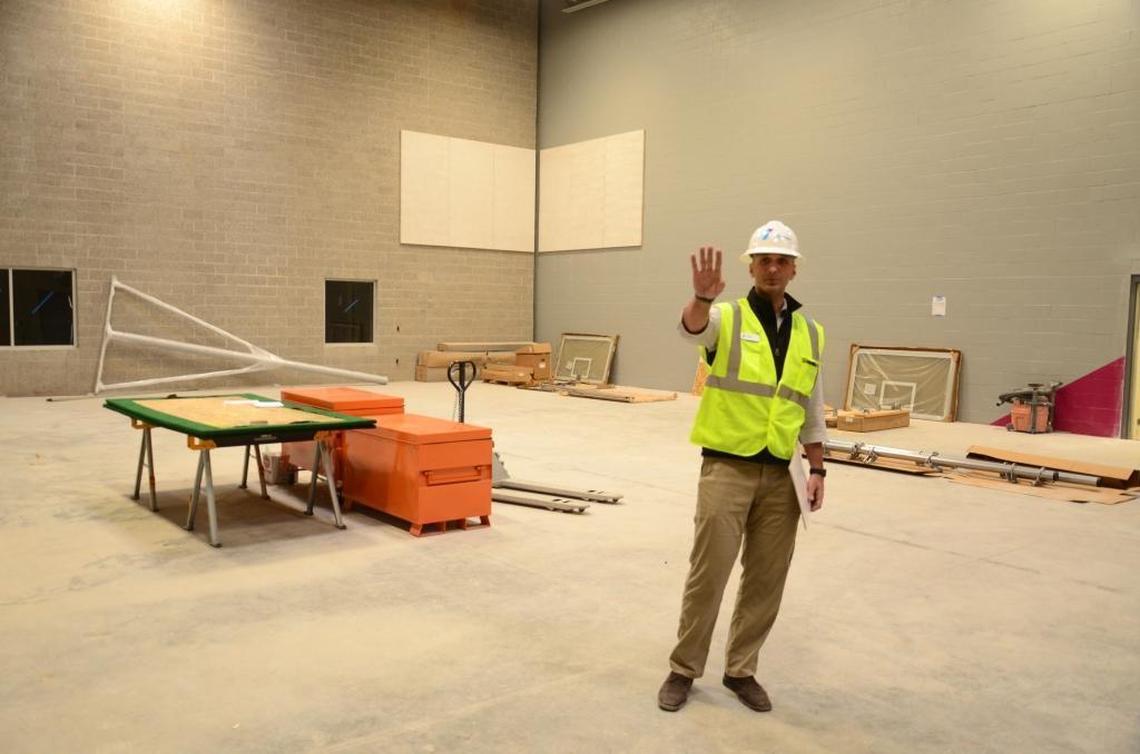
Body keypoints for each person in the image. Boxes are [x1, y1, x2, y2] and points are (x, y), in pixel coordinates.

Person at [657, 219, 828, 713]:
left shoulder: (811, 332)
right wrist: (702, 298)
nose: (772, 268)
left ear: (794, 270)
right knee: (708, 574)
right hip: (727, 468)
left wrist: (818, 470)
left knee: (766, 578)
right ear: (751, 268)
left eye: (781, 261)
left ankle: (741, 670)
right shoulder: (726, 317)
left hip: (783, 474)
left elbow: (812, 408)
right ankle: (684, 669)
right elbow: (691, 330)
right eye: (764, 260)